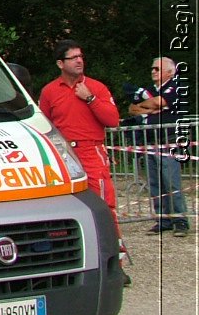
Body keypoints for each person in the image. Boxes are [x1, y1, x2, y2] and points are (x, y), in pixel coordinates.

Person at [38, 41, 130, 284]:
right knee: (63, 209)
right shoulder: (49, 91)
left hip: (91, 152)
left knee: (104, 208)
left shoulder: (96, 87)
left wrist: (90, 99)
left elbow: (113, 120)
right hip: (65, 154)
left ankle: (115, 265)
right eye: (73, 57)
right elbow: (45, 125)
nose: (79, 61)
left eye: (81, 56)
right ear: (60, 63)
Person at [128, 57, 189, 237]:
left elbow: (158, 103)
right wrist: (152, 109)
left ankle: (180, 220)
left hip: (168, 141)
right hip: (150, 141)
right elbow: (132, 108)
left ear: (170, 72)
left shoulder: (176, 86)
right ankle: (163, 219)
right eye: (152, 68)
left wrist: (152, 107)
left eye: (157, 69)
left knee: (171, 181)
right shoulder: (148, 90)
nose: (153, 71)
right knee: (155, 183)